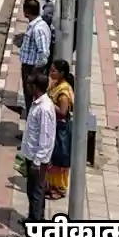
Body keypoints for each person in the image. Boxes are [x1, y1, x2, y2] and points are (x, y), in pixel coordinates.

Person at [16, 73, 55, 237]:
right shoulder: (38, 103)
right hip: (31, 155)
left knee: (36, 192)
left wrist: (37, 161)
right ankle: (35, 218)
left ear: (36, 88)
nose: (28, 88)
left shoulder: (44, 108)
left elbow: (46, 138)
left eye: (31, 85)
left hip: (38, 159)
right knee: (32, 191)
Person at [45, 60, 75, 200]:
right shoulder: (55, 84)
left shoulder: (63, 92)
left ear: (61, 73)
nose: (51, 73)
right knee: (52, 157)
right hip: (52, 126)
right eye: (51, 70)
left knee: (59, 159)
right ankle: (51, 185)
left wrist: (48, 102)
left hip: (61, 129)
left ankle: (60, 188)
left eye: (54, 71)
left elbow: (62, 113)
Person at [19, 0, 53, 115]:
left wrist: (34, 73)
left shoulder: (38, 29)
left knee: (32, 100)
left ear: (26, 11)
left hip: (32, 69)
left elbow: (43, 54)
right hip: (29, 68)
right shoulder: (35, 25)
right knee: (29, 100)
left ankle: (31, 128)